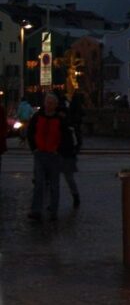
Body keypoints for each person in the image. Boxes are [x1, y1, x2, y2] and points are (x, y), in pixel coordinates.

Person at [26, 93, 71, 221]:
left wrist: (58, 150)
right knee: (39, 183)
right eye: (47, 102)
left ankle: (53, 210)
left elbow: (65, 137)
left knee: (54, 185)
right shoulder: (38, 116)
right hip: (40, 153)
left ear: (55, 105)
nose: (48, 105)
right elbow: (31, 133)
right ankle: (36, 210)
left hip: (53, 155)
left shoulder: (59, 119)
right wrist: (34, 148)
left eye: (51, 103)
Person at [61, 93, 85, 207]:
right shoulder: (68, 121)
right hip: (65, 152)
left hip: (66, 153)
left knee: (68, 177)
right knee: (67, 177)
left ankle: (75, 195)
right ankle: (74, 196)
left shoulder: (67, 123)